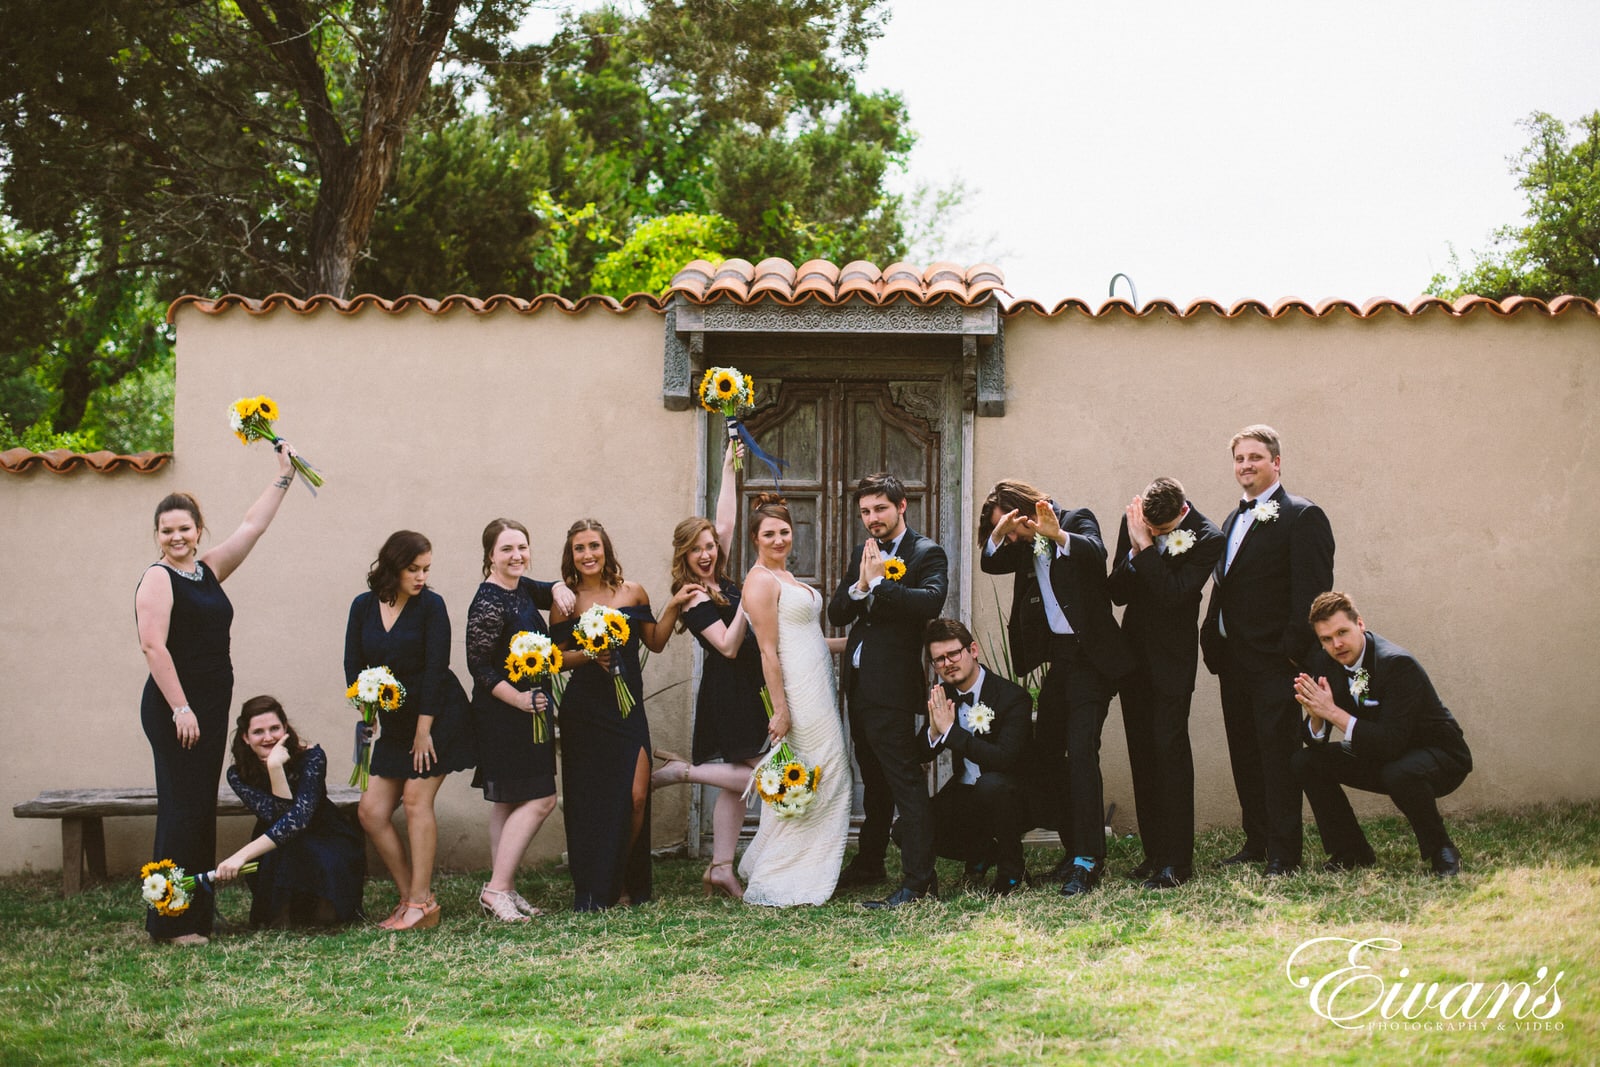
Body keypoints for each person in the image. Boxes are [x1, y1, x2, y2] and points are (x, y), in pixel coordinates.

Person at [134, 442, 297, 945]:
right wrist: (181, 706)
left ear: (197, 530)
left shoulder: (206, 570)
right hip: (175, 707)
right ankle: (172, 921)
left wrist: (284, 476)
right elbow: (152, 646)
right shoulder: (158, 579)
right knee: (183, 809)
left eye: (185, 528)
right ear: (157, 536)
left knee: (199, 806)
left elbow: (253, 526)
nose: (177, 536)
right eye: (168, 531)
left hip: (206, 705)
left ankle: (194, 910)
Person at [980, 479, 1133, 897]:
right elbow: (991, 564)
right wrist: (998, 534)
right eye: (1006, 533)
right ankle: (1072, 850)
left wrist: (1057, 534)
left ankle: (1089, 858)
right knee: (1046, 751)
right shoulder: (1023, 545)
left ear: (1028, 511)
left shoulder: (1075, 520)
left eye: (1013, 528)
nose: (1012, 540)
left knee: (1082, 751)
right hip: (1060, 662)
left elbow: (1095, 554)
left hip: (1093, 660)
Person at [1200, 425, 1335, 876]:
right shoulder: (1231, 520)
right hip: (1234, 662)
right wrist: (1211, 639)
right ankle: (1256, 841)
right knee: (1246, 754)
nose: (1246, 466)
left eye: (1255, 457)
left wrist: (1289, 656)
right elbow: (1226, 587)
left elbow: (1311, 595)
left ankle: (1284, 852)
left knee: (1278, 758)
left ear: (1276, 462)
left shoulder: (1302, 515)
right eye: (1239, 459)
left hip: (1276, 664)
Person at [549, 519, 696, 911]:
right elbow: (555, 659)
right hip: (584, 711)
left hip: (628, 707)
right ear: (572, 555)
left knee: (634, 796)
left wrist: (675, 605)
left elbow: (656, 642)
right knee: (592, 802)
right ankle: (603, 889)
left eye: (593, 546)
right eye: (579, 548)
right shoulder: (566, 601)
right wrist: (588, 655)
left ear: (605, 549)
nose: (588, 555)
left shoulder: (632, 592)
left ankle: (623, 879)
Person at [827, 473, 949, 908]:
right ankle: (870, 862)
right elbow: (838, 611)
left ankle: (919, 883)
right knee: (873, 780)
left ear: (901, 507)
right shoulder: (865, 552)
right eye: (865, 512)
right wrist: (861, 584)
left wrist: (882, 584)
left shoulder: (926, 552)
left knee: (904, 783)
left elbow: (930, 602)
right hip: (858, 687)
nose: (872, 519)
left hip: (892, 688)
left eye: (879, 509)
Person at [1291, 592, 1473, 877]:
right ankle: (1352, 851)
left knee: (1400, 772)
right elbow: (1317, 738)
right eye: (1326, 639)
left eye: (1342, 632)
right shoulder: (1326, 663)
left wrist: (1332, 712)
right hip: (1382, 754)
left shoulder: (1397, 664)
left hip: (1439, 756)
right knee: (1306, 761)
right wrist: (1316, 715)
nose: (1336, 644)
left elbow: (1391, 741)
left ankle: (1442, 850)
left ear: (1360, 624)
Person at [346, 530, 475, 931]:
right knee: (371, 811)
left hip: (438, 716)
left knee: (417, 799)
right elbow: (354, 666)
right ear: (392, 567)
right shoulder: (363, 607)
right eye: (413, 569)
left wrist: (424, 732)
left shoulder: (431, 606)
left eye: (426, 569)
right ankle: (413, 899)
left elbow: (437, 670)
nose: (421, 577)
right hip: (396, 723)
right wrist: (366, 710)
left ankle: (420, 903)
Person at [651, 443, 764, 899]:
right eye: (697, 548)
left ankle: (720, 867)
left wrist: (728, 464)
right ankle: (684, 773)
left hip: (751, 689)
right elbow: (727, 646)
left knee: (736, 789)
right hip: (729, 691)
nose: (707, 553)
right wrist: (752, 602)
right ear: (684, 554)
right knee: (761, 776)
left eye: (711, 546)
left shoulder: (723, 578)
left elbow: (728, 520)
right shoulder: (693, 594)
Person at [1107, 477, 1225, 890]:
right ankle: (1154, 853)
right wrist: (1137, 544)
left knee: (1170, 752)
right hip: (1134, 656)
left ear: (1182, 512)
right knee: (1142, 752)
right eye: (1149, 529)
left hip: (1173, 662)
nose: (1155, 534)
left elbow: (1176, 593)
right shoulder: (1135, 520)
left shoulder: (1209, 537)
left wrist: (1144, 547)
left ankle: (1178, 861)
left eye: (1163, 531)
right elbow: (1117, 592)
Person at [738, 494, 852, 906]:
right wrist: (781, 709)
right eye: (769, 533)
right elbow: (769, 651)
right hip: (797, 693)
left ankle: (806, 863)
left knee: (828, 772)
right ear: (755, 538)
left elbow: (810, 640)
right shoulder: (760, 580)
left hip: (818, 682)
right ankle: (789, 874)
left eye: (784, 531)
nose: (778, 539)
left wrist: (860, 640)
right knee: (824, 773)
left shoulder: (788, 578)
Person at [464, 518, 576, 922]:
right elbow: (478, 666)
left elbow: (547, 590)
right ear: (490, 555)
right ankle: (496, 889)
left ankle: (504, 888)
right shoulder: (489, 601)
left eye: (522, 547)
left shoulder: (521, 588)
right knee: (542, 797)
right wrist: (520, 699)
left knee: (508, 801)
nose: (517, 556)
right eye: (507, 549)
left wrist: (561, 588)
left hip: (532, 707)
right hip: (505, 714)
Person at [218, 696, 365, 927]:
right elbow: (280, 821)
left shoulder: (313, 756)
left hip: (324, 833)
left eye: (274, 728)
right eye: (258, 732)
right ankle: (283, 912)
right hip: (274, 838)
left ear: (285, 728)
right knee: (285, 851)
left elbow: (298, 820)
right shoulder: (238, 774)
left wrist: (240, 856)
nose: (268, 737)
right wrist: (274, 768)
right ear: (246, 737)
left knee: (326, 916)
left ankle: (322, 905)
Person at [917, 618, 1033, 896]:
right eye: (939, 660)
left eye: (953, 654)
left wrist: (951, 732)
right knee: (907, 829)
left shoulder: (1012, 697)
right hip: (966, 793)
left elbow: (1005, 759)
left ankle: (1012, 871)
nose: (947, 663)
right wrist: (934, 731)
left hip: (1013, 794)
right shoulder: (943, 694)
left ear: (973, 650)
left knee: (991, 785)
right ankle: (984, 851)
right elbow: (920, 753)